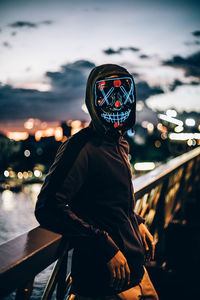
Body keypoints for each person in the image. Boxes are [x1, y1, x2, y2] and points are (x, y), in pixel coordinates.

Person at [35, 64, 159, 300]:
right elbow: (49, 206)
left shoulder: (121, 143)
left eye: (122, 93)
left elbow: (110, 198)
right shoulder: (80, 147)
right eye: (107, 94)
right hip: (107, 280)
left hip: (136, 268)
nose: (117, 104)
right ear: (93, 99)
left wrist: (136, 221)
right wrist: (103, 246)